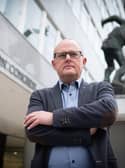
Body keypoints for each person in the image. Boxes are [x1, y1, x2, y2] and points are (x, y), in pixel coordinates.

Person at [24, 39, 118, 168]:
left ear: (83, 61)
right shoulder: (39, 96)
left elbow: (109, 111)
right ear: (54, 64)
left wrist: (53, 118)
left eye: (74, 54)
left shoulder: (101, 88)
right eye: (62, 55)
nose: (68, 58)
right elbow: (33, 131)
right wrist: (84, 134)